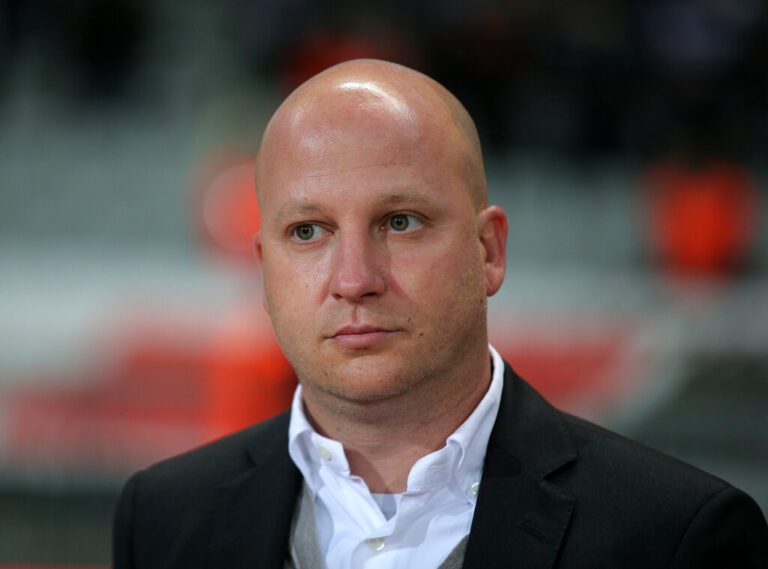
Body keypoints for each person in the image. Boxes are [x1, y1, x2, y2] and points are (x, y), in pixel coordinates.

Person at [113, 59, 768, 569]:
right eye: (308, 232)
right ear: (264, 268)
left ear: (489, 252)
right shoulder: (162, 521)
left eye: (400, 221)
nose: (354, 280)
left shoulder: (676, 536)